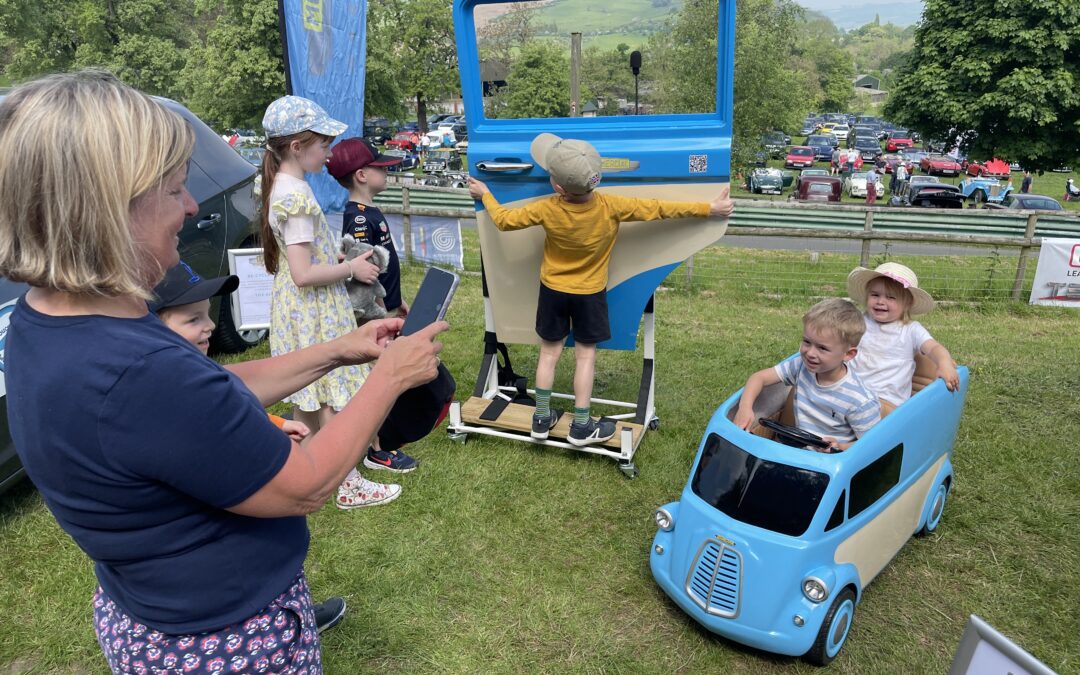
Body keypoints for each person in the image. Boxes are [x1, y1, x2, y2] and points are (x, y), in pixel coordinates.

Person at [0, 71, 446, 672]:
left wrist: (340, 350)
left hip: (152, 612)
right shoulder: (137, 371)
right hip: (224, 641)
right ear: (106, 209)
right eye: (174, 190)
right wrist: (390, 375)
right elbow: (306, 483)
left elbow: (205, 394)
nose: (190, 207)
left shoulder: (51, 318)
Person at [468, 133, 734, 446]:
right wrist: (709, 208)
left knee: (549, 354)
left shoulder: (546, 208)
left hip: (553, 291)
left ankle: (540, 419)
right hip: (589, 294)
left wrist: (485, 193)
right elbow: (659, 209)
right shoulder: (612, 206)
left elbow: (504, 221)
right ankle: (581, 426)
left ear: (558, 187)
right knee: (585, 357)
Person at [150, 261, 349, 632]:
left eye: (207, 314)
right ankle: (272, 629)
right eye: (192, 320)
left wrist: (275, 424)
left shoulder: (194, 369)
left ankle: (296, 613)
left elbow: (234, 402)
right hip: (220, 567)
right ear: (153, 328)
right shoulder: (166, 390)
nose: (210, 326)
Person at [260, 95, 404, 508]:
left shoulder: (284, 186)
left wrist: (334, 261)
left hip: (299, 307)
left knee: (309, 393)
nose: (329, 153)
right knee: (331, 393)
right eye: (324, 144)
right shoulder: (296, 197)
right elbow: (304, 274)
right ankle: (347, 482)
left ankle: (297, 472)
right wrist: (350, 269)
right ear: (297, 147)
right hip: (314, 308)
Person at [327, 137, 421, 473]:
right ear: (362, 175)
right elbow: (364, 272)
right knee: (376, 378)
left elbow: (384, 267)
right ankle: (377, 449)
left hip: (384, 308)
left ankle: (382, 438)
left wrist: (397, 300)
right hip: (372, 314)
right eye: (380, 168)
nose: (386, 172)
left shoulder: (369, 212)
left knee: (382, 373)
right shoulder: (358, 218)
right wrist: (382, 308)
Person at [733, 298, 880, 452]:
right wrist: (745, 407)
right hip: (797, 451)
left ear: (848, 354)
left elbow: (873, 445)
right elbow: (759, 378)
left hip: (832, 461)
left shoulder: (860, 400)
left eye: (822, 348)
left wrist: (841, 446)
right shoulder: (800, 366)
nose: (810, 353)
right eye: (807, 342)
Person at [846, 262, 959, 415]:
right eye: (875, 295)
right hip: (849, 392)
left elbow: (934, 348)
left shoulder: (911, 330)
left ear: (907, 303)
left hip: (886, 403)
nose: (881, 301)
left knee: (864, 410)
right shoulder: (858, 321)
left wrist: (944, 363)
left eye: (891, 297)